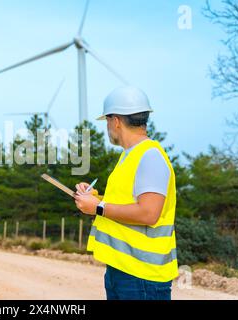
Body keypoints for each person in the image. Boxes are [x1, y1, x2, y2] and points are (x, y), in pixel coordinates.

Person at [74, 86, 178, 300]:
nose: (108, 127)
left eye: (107, 121)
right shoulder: (129, 156)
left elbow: (149, 213)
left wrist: (98, 208)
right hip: (123, 270)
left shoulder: (150, 156)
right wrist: (96, 198)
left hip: (142, 276)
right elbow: (127, 202)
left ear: (116, 121)